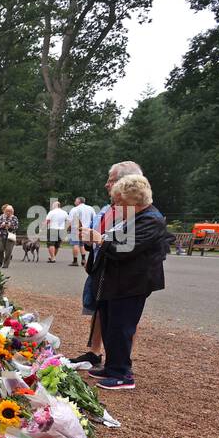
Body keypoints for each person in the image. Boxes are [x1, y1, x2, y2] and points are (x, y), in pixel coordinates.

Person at [83, 173, 171, 390]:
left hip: (132, 284)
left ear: (134, 200)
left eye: (119, 202)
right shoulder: (135, 218)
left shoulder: (151, 220)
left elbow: (125, 248)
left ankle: (123, 374)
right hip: (118, 282)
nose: (116, 206)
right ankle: (113, 367)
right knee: (112, 326)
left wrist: (99, 239)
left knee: (122, 327)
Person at [70, 162, 142, 366]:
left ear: (125, 182)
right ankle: (95, 352)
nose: (106, 184)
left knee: (124, 318)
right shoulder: (107, 208)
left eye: (110, 180)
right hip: (100, 267)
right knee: (99, 309)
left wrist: (98, 239)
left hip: (120, 272)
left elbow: (127, 244)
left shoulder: (135, 212)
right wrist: (90, 247)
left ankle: (119, 361)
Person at [68, 196, 95, 267]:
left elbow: (70, 220)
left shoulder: (75, 209)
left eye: (75, 201)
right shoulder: (90, 208)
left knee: (75, 244)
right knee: (82, 244)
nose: (74, 202)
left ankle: (75, 260)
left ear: (79, 201)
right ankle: (83, 259)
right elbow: (94, 219)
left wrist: (68, 228)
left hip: (76, 229)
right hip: (86, 229)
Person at [0, 204, 18, 268]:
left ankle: (6, 264)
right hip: (1, 235)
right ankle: (1, 259)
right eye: (7, 211)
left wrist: (10, 226)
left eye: (10, 211)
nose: (8, 212)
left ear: (12, 212)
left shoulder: (14, 218)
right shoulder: (1, 216)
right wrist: (1, 226)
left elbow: (16, 227)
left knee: (8, 252)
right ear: (4, 211)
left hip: (10, 237)